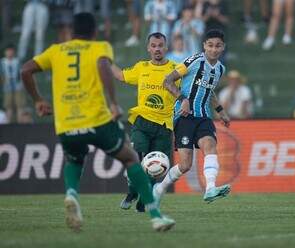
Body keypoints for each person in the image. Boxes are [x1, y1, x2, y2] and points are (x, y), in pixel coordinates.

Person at [21, 12, 175, 232]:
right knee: (131, 159)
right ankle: (155, 215)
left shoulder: (55, 51)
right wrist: (113, 103)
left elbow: (25, 70)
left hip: (66, 122)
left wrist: (37, 100)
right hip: (97, 119)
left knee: (74, 160)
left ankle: (72, 194)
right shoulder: (99, 47)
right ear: (94, 32)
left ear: (70, 32)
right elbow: (105, 67)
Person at [153, 29, 231, 207]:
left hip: (204, 116)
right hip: (184, 115)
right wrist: (183, 100)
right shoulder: (194, 61)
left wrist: (220, 111)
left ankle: (210, 188)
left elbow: (209, 90)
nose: (213, 49)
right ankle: (159, 189)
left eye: (217, 46)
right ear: (204, 45)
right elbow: (167, 81)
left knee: (210, 145)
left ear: (223, 47)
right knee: (185, 164)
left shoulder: (220, 68)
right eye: (210, 45)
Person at [111, 32, 179, 212]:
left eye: (160, 45)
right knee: (136, 159)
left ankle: (144, 198)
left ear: (166, 47)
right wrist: (104, 61)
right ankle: (132, 192)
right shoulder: (141, 67)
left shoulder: (175, 70)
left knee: (155, 167)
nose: (157, 49)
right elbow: (120, 76)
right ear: (148, 48)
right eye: (154, 46)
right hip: (142, 122)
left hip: (164, 126)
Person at [0, 44, 26, 123]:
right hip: (7, 87)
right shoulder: (2, 62)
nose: (9, 53)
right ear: (5, 52)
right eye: (8, 51)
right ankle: (7, 123)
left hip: (18, 86)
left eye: (11, 51)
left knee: (20, 106)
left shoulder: (18, 61)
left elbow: (22, 73)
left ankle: (20, 123)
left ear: (14, 52)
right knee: (8, 106)